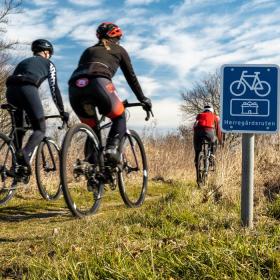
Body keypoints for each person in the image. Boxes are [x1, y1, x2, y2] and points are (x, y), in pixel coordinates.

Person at [68, 22, 152, 164]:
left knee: (92, 129)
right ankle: (111, 150)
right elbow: (131, 77)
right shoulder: (119, 50)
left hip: (75, 88)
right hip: (99, 83)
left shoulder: (88, 51)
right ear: (116, 37)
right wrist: (143, 98)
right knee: (119, 116)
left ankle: (92, 168)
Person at [5, 39, 69, 175]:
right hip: (27, 89)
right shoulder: (49, 64)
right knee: (40, 129)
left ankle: (16, 167)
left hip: (10, 90)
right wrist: (62, 112)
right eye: (49, 54)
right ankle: (25, 153)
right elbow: (54, 89)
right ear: (46, 52)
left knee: (19, 129)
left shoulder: (24, 62)